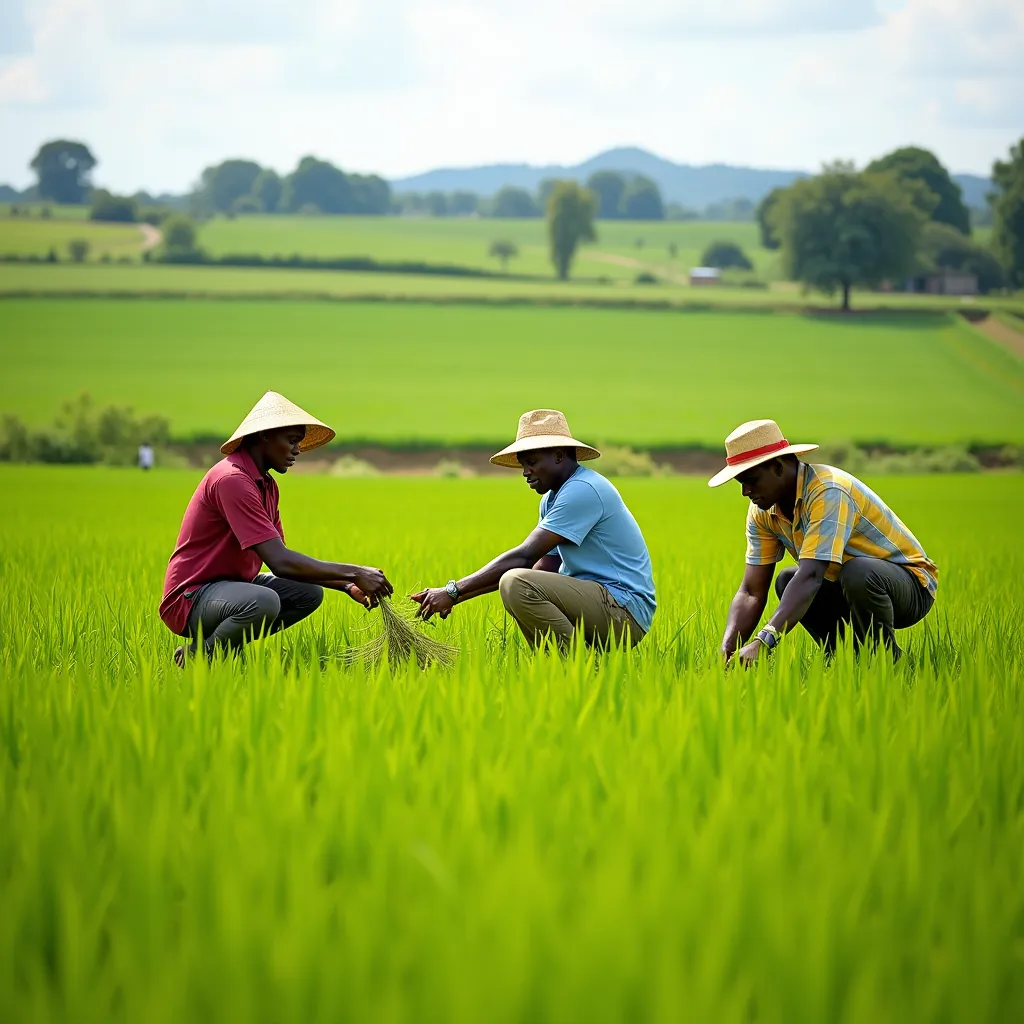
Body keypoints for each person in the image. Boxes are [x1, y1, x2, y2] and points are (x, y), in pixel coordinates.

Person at [160, 391, 392, 665]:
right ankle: (200, 657)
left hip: (233, 587)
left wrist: (347, 585)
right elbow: (280, 562)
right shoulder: (232, 480)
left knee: (307, 594)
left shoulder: (266, 485)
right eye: (291, 441)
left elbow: (283, 557)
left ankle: (225, 648)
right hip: (192, 596)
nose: (297, 451)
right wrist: (355, 572)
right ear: (265, 435)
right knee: (263, 601)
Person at [412, 409, 656, 649]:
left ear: (559, 456)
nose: (526, 473)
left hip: (623, 611)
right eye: (522, 465)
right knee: (516, 583)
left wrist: (452, 591)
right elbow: (540, 567)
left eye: (532, 463)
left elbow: (524, 556)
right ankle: (564, 670)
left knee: (515, 582)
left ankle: (577, 668)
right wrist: (456, 598)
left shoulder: (583, 489)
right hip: (602, 605)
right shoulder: (552, 499)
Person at [711, 419, 938, 666]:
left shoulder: (828, 490)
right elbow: (752, 591)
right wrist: (728, 648)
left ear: (777, 467)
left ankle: (885, 659)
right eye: (740, 483)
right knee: (787, 580)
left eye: (751, 480)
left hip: (909, 587)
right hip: (845, 585)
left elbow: (812, 575)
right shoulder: (762, 510)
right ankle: (843, 659)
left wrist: (764, 641)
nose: (745, 491)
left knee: (857, 572)